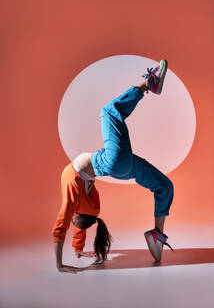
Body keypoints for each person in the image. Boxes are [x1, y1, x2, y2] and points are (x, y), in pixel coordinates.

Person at [52, 59, 174, 273]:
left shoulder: (90, 208)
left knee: (164, 185)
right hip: (112, 162)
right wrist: (59, 264)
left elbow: (78, 225)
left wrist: (78, 248)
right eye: (75, 217)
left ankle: (157, 236)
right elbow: (62, 223)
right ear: (77, 214)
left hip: (121, 169)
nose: (72, 218)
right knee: (109, 111)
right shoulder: (75, 190)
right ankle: (149, 83)